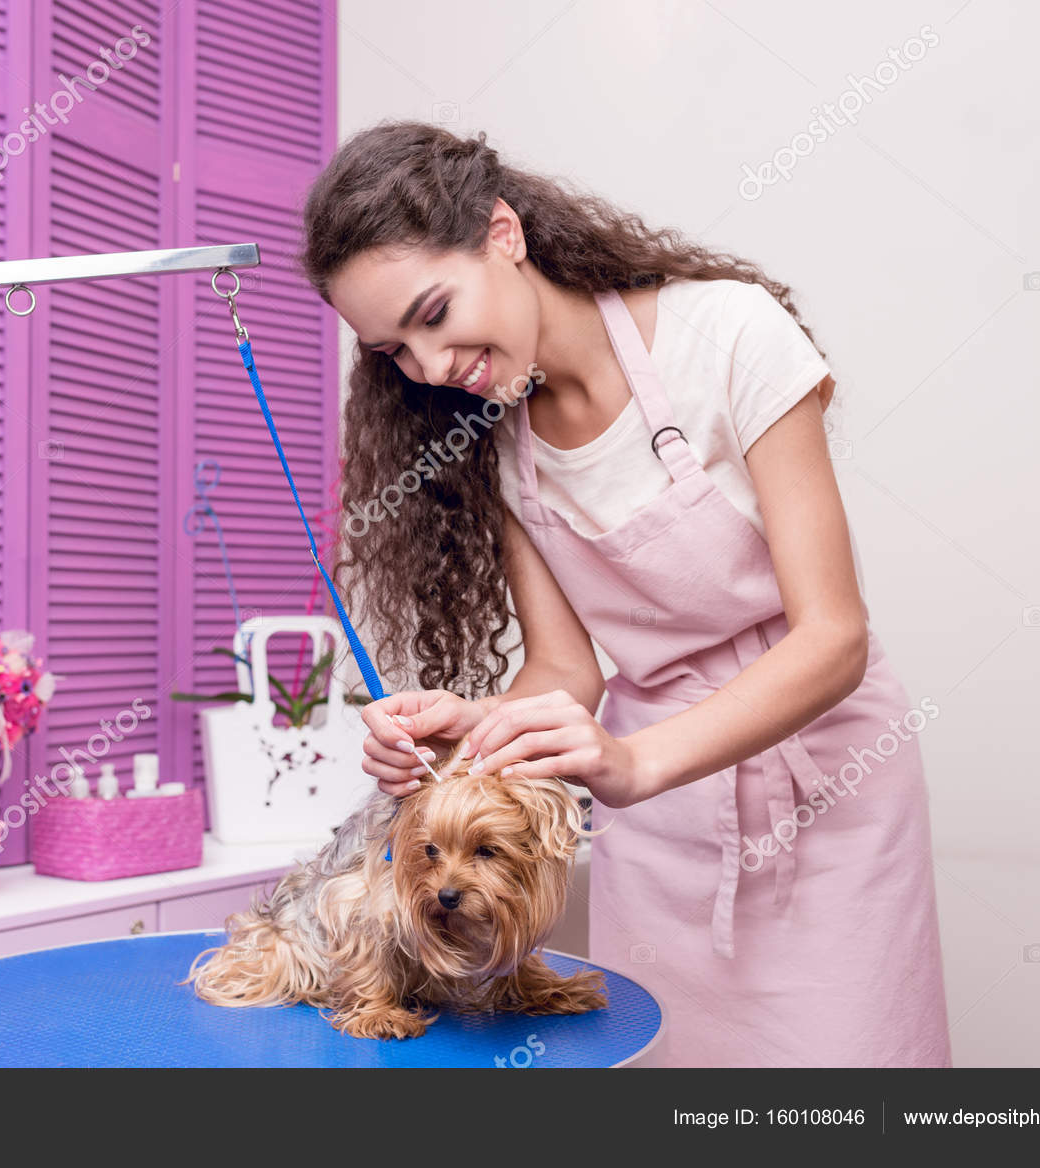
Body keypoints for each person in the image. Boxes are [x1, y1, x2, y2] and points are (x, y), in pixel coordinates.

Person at [297, 120, 951, 1067]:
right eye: (394, 349)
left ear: (503, 234)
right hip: (661, 821)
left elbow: (833, 637)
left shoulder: (728, 335)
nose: (430, 368)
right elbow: (567, 672)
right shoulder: (498, 440)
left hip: (826, 784)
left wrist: (636, 763)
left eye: (433, 314)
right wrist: (473, 737)